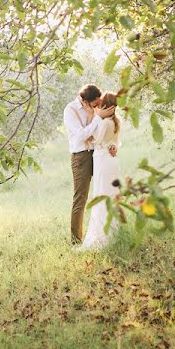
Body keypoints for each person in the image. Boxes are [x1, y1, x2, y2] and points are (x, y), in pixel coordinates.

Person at [63, 85, 117, 244]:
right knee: (81, 198)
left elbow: (103, 131)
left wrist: (112, 146)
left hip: (99, 154)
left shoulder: (96, 108)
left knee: (105, 192)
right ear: (85, 102)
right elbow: (80, 135)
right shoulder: (71, 110)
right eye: (95, 104)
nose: (97, 106)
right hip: (81, 157)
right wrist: (98, 117)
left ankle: (106, 234)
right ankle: (76, 242)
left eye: (98, 103)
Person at [80, 91, 122, 249]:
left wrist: (90, 137)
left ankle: (101, 237)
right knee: (111, 194)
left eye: (100, 103)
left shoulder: (104, 123)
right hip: (112, 161)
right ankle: (113, 232)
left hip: (102, 159)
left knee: (101, 193)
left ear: (105, 105)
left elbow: (97, 140)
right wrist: (113, 146)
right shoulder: (117, 122)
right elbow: (117, 142)